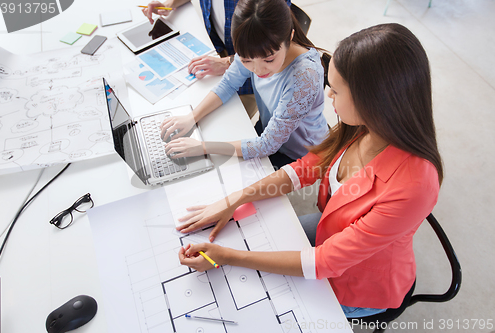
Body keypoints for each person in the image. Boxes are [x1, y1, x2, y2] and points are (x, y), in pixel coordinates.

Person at [176, 23, 443, 318]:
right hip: (331, 229)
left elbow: (324, 262)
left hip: (359, 283)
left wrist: (228, 257)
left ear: (375, 100)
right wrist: (234, 200)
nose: (328, 97)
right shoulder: (365, 127)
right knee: (246, 244)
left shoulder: (416, 184)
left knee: (257, 304)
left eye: (336, 90)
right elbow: (305, 168)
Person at [159, 0, 328, 169]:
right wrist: (191, 118)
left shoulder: (305, 75)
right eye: (246, 60)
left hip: (301, 153)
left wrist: (202, 147)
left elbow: (267, 145)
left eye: (269, 59)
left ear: (289, 37)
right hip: (270, 127)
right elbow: (228, 83)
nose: (258, 69)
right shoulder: (253, 45)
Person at [143, 0, 291, 118]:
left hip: (249, 75)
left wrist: (228, 62)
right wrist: (169, 4)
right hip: (220, 51)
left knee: (220, 124)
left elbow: (271, 47)